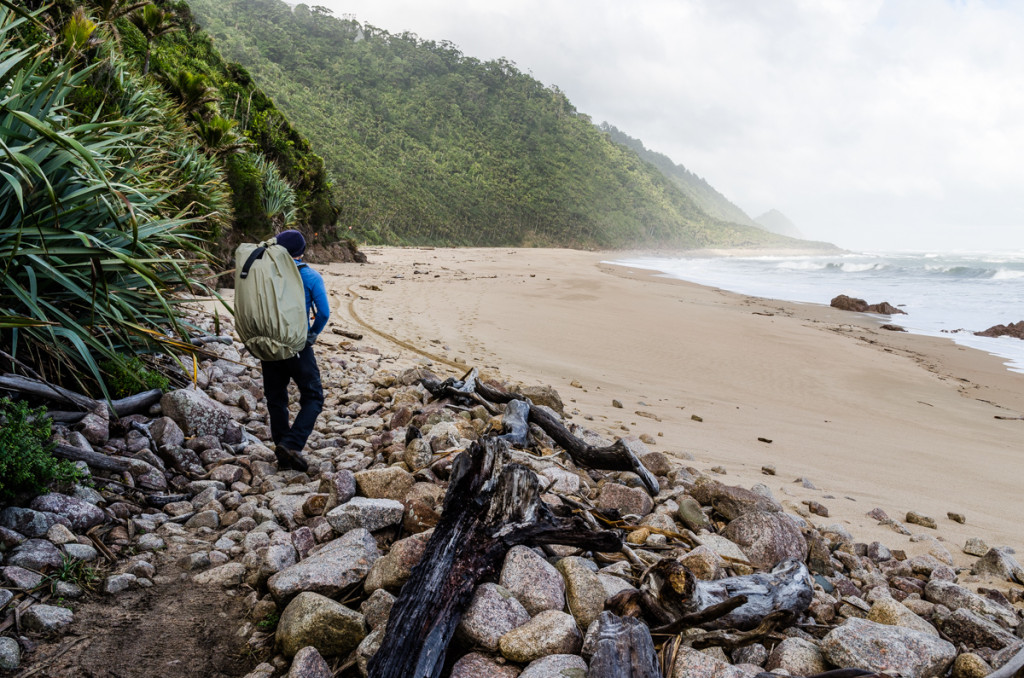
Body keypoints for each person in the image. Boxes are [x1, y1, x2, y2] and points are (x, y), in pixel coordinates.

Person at [261, 229, 328, 472]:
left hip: (269, 345)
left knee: (276, 399)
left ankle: (282, 449)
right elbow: (323, 313)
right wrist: (310, 337)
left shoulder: (265, 274)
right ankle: (292, 443)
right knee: (313, 397)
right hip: (297, 345)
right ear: (302, 252)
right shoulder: (310, 276)